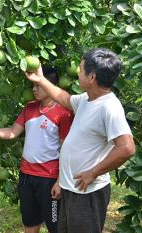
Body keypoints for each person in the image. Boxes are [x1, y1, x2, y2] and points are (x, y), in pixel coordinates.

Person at [24, 48, 135, 233]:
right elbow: (64, 99)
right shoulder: (88, 99)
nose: (77, 71)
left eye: (81, 68)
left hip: (87, 192)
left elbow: (126, 148)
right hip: (71, 188)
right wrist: (40, 79)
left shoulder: (109, 107)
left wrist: (93, 172)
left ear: (92, 77)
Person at [0, 67, 73, 233]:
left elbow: (67, 149)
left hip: (49, 179)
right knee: (30, 222)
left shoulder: (63, 114)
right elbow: (13, 132)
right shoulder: (29, 108)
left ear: (51, 85)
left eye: (38, 85)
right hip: (27, 176)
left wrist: (60, 181)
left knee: (54, 225)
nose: (34, 89)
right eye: (33, 86)